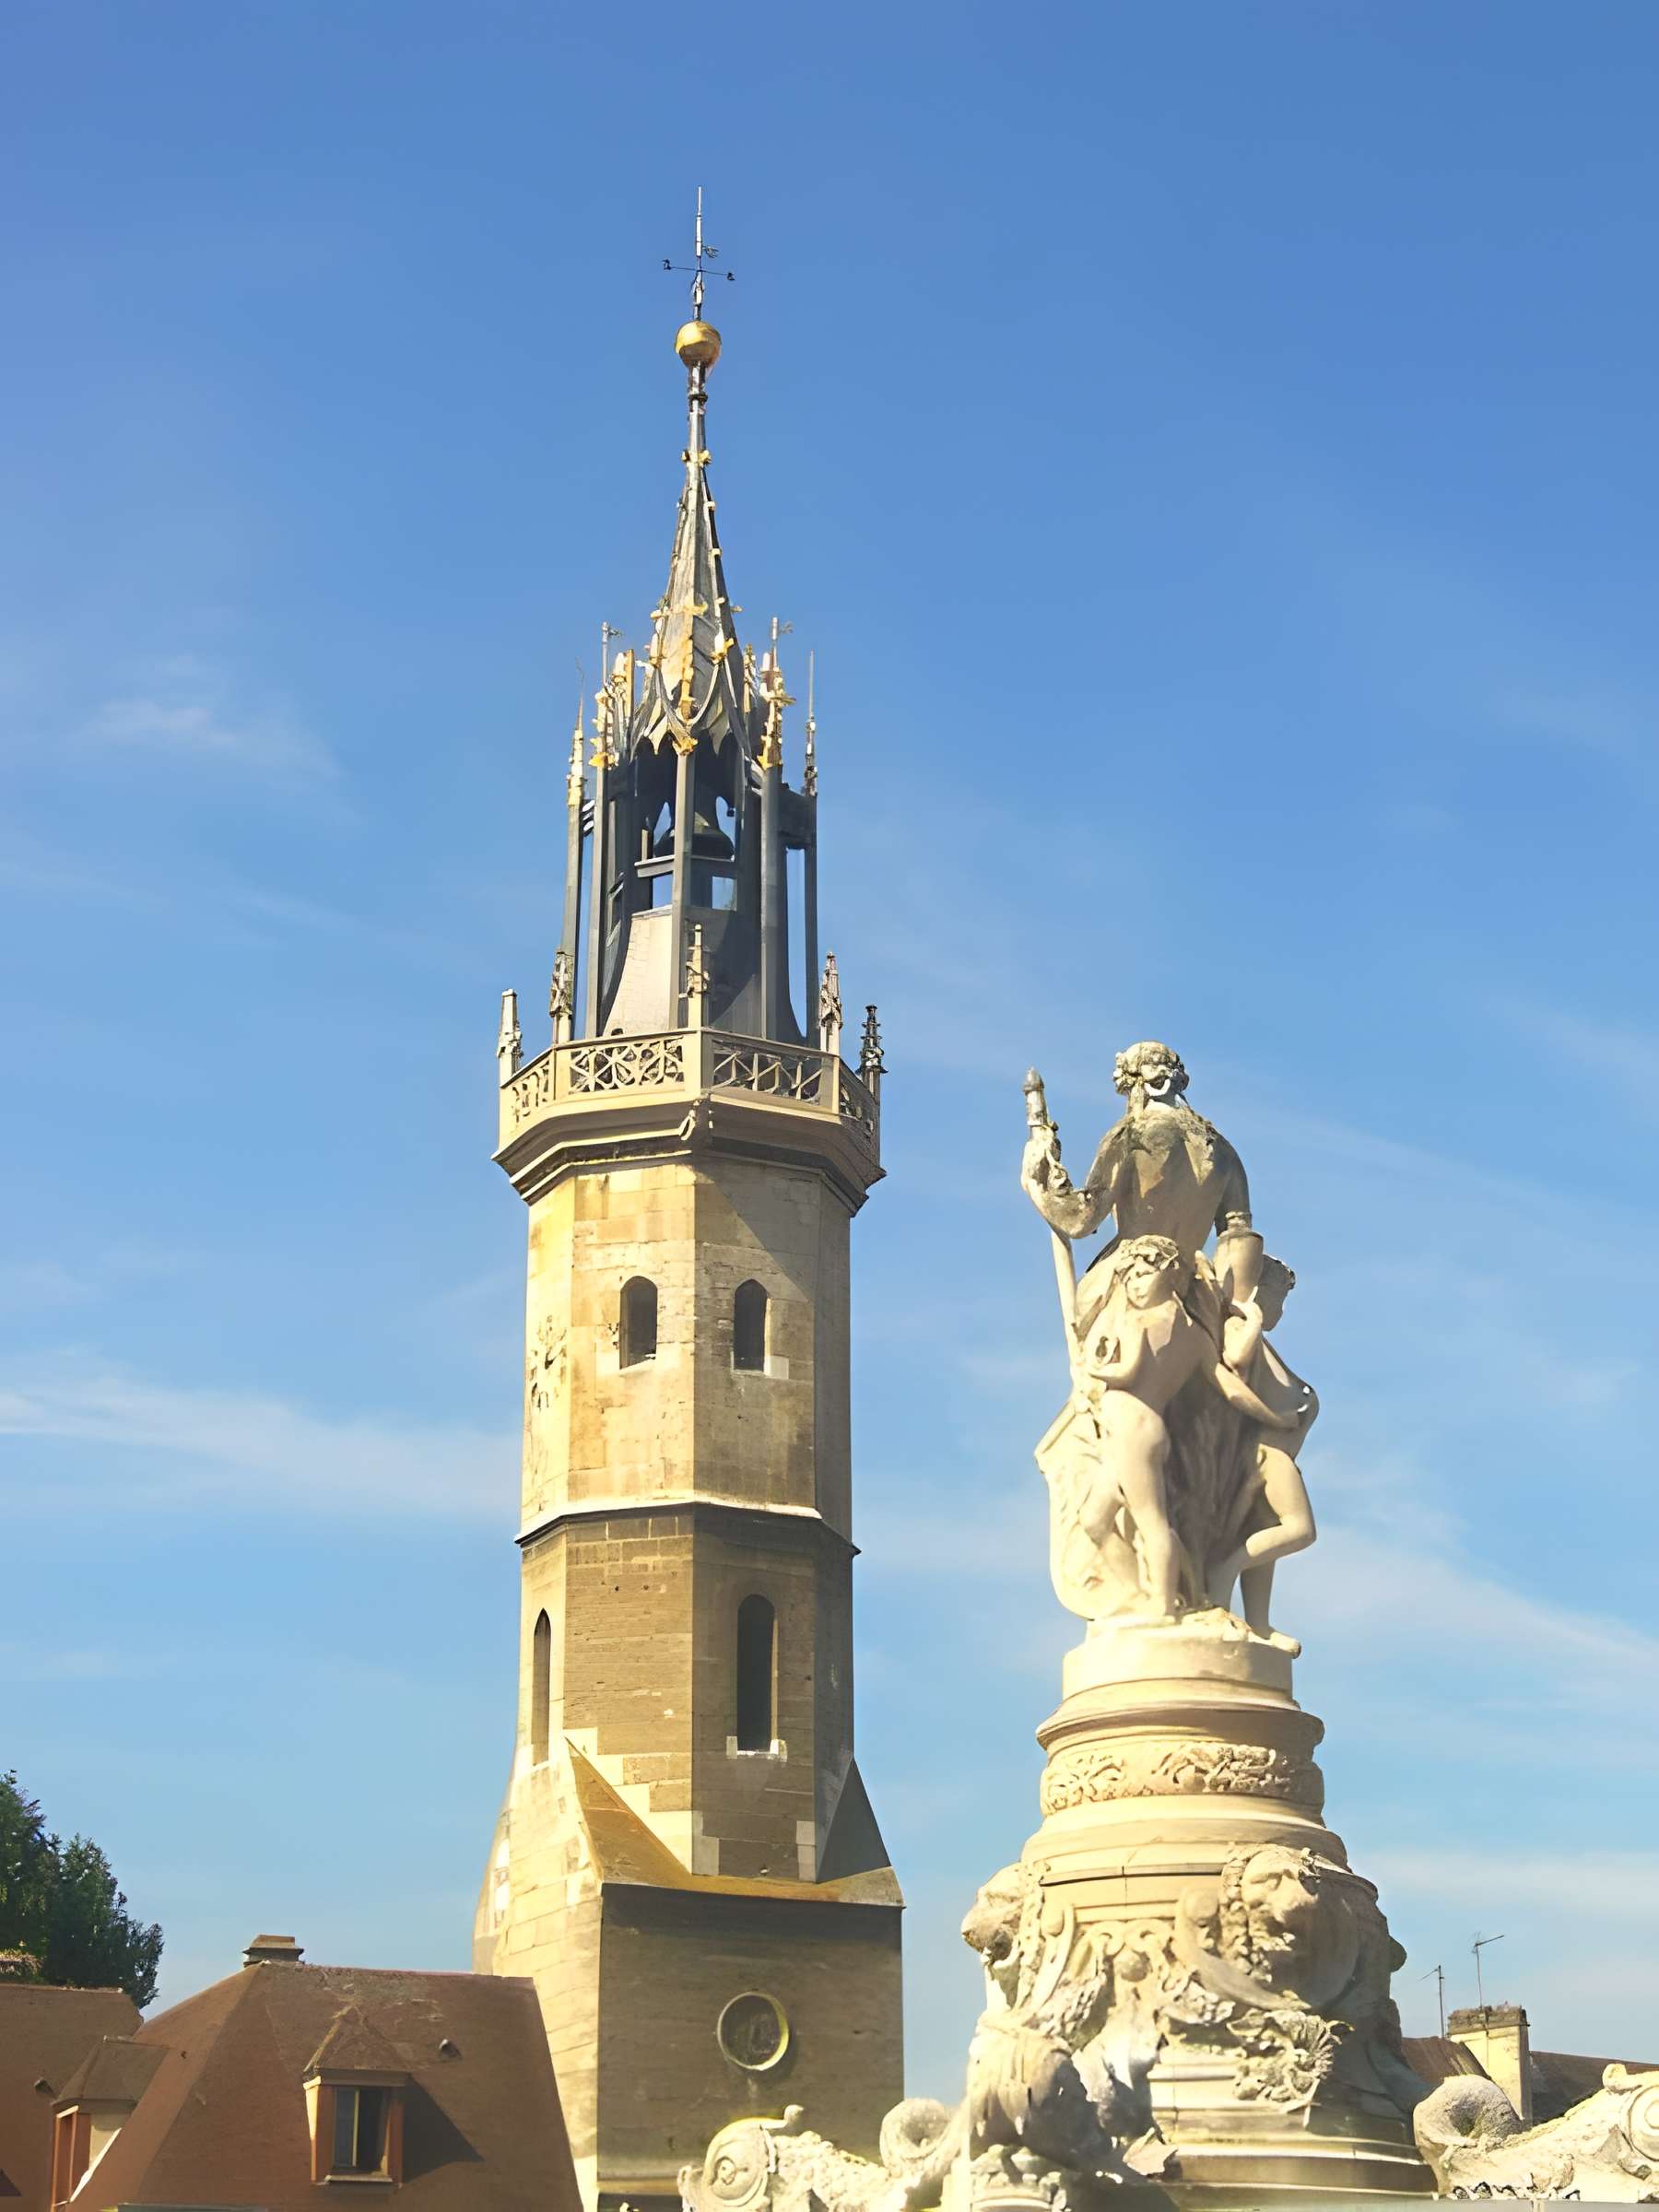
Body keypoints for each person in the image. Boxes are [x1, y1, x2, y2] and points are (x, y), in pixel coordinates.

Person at [1072, 1237, 1300, 1621]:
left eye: (1144, 1274)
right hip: (1125, 1434)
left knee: (1152, 1523)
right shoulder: (1194, 1334)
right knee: (1095, 1520)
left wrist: (1091, 1368)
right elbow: (1229, 1387)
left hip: (1134, 1431)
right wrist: (1273, 1418)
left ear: (1169, 1275)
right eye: (1130, 1278)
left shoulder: (1149, 1322)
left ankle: (1161, 1607)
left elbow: (1125, 1372)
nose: (1135, 1285)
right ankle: (1136, 1595)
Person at [1208, 1256, 1317, 1643]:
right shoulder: (1238, 1324)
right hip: (1263, 1450)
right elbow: (1235, 1362)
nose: (1279, 1310)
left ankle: (1259, 1622)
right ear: (1257, 1292)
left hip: (1276, 1453)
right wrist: (1252, 1320)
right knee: (1300, 1529)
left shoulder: (1263, 1341)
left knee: (1267, 1528)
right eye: (1277, 1298)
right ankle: (1224, 1571)